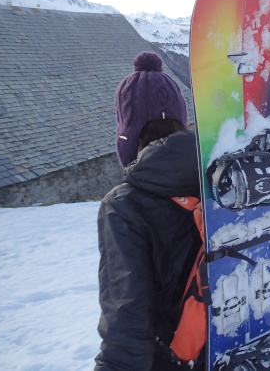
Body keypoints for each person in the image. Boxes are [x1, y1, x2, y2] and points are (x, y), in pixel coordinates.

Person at [95, 51, 203, 370]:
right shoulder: (223, 179)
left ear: (127, 135)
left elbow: (127, 321)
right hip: (226, 349)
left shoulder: (124, 205)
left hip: (170, 358)